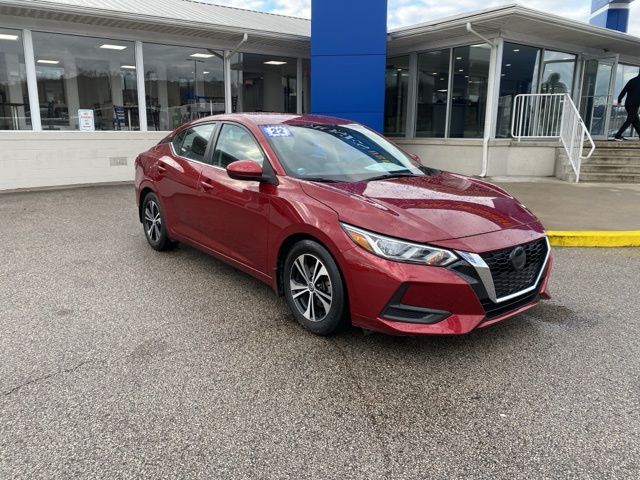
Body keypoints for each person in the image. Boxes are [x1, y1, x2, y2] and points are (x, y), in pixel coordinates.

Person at [613, 73, 640, 141]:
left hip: (627, 104)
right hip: (635, 104)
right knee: (630, 120)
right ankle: (617, 136)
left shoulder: (632, 80)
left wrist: (619, 100)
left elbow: (624, 91)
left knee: (636, 121)